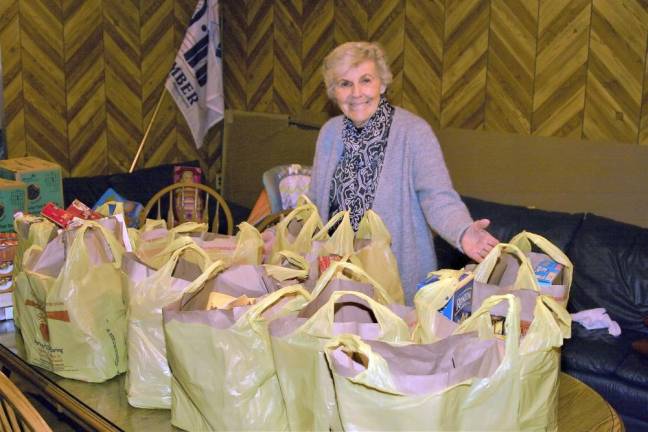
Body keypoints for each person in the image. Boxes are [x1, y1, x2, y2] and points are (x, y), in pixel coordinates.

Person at [308, 41, 499, 304]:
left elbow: (437, 196)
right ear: (334, 92)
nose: (356, 93)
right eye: (344, 84)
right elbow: (317, 205)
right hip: (337, 275)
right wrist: (289, 236)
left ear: (382, 84)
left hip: (396, 278)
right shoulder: (330, 133)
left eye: (366, 80)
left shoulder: (413, 133)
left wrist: (463, 231)